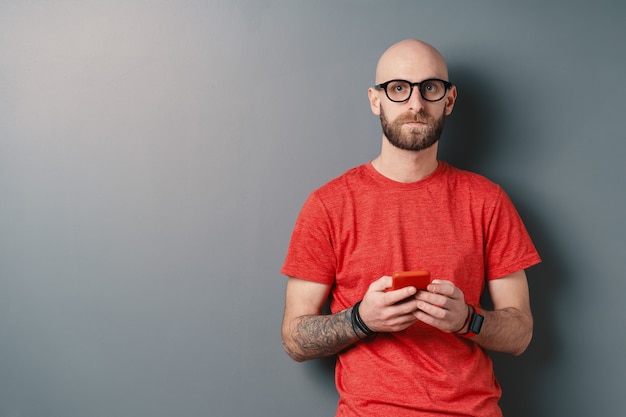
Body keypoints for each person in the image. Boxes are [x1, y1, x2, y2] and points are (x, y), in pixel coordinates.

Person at [280, 39, 541, 417]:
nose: (415, 104)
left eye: (429, 88)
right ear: (375, 100)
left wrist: (467, 319)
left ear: (448, 100)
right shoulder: (328, 204)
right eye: (398, 89)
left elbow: (521, 334)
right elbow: (294, 338)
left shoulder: (488, 201)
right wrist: (361, 320)